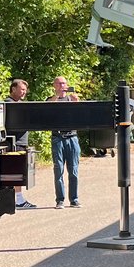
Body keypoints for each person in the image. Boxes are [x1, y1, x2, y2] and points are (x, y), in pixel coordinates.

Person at [49, 76, 81, 208]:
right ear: (54, 85)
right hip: (58, 138)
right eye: (59, 83)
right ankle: (60, 200)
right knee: (59, 170)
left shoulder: (72, 99)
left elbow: (81, 115)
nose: (62, 86)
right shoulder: (51, 100)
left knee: (73, 170)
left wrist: (77, 103)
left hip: (72, 137)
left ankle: (74, 199)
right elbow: (47, 109)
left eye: (64, 83)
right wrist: (56, 97)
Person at [7, 78, 36, 208]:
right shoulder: (10, 104)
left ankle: (17, 199)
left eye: (25, 90)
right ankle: (18, 200)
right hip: (15, 143)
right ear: (13, 89)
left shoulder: (18, 104)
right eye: (22, 89)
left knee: (18, 172)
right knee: (16, 173)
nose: (24, 92)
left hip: (20, 143)